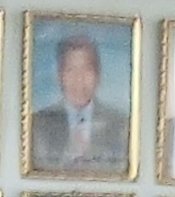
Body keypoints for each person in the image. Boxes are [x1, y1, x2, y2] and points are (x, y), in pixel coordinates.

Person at [26, 32, 129, 175]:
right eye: (71, 70)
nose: (79, 79)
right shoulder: (37, 125)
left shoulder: (120, 125)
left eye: (86, 70)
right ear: (59, 76)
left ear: (98, 75)